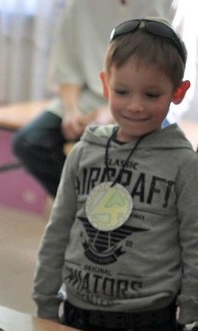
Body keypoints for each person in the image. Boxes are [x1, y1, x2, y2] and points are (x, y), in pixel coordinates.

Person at [32, 17, 198, 331]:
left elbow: (195, 250)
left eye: (151, 94)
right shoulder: (84, 152)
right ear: (106, 85)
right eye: (123, 92)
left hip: (148, 325)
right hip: (75, 314)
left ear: (178, 92)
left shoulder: (183, 164)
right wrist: (46, 306)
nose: (135, 105)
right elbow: (57, 231)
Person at [12, 0, 195, 198]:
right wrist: (71, 111)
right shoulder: (79, 5)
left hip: (148, 102)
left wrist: (109, 112)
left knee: (144, 155)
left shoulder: (172, 4)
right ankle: (86, 204)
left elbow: (176, 76)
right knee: (30, 142)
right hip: (88, 98)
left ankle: (123, 210)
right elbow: (67, 68)